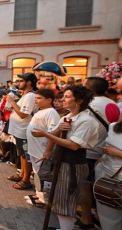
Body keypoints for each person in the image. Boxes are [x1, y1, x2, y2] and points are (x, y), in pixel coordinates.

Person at [31, 86, 98, 230]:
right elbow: (56, 134)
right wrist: (49, 147)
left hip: (72, 164)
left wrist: (45, 134)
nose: (62, 99)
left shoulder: (86, 120)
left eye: (67, 97)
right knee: (59, 199)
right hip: (61, 161)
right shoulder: (68, 116)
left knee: (66, 201)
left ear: (79, 101)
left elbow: (74, 145)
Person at [78, 77, 120, 228]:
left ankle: (86, 217)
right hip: (105, 151)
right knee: (99, 186)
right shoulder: (111, 103)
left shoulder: (89, 105)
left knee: (85, 185)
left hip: (90, 150)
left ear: (89, 89)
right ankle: (97, 215)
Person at [25, 89, 60, 207]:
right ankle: (38, 194)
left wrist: (48, 150)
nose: (36, 100)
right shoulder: (41, 111)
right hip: (35, 149)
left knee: (43, 173)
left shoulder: (51, 112)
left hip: (42, 149)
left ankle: (44, 199)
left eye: (39, 98)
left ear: (49, 100)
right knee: (36, 172)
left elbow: (53, 132)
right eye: (35, 98)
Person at [5, 73, 37, 190]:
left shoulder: (30, 96)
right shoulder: (26, 95)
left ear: (29, 82)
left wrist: (12, 102)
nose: (18, 83)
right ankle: (22, 174)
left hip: (24, 130)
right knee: (22, 155)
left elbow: (23, 114)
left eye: (21, 80)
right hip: (19, 130)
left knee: (25, 155)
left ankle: (26, 180)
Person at [95, 120, 122, 230]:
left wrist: (117, 153)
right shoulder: (113, 126)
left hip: (114, 175)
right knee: (107, 216)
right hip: (106, 174)